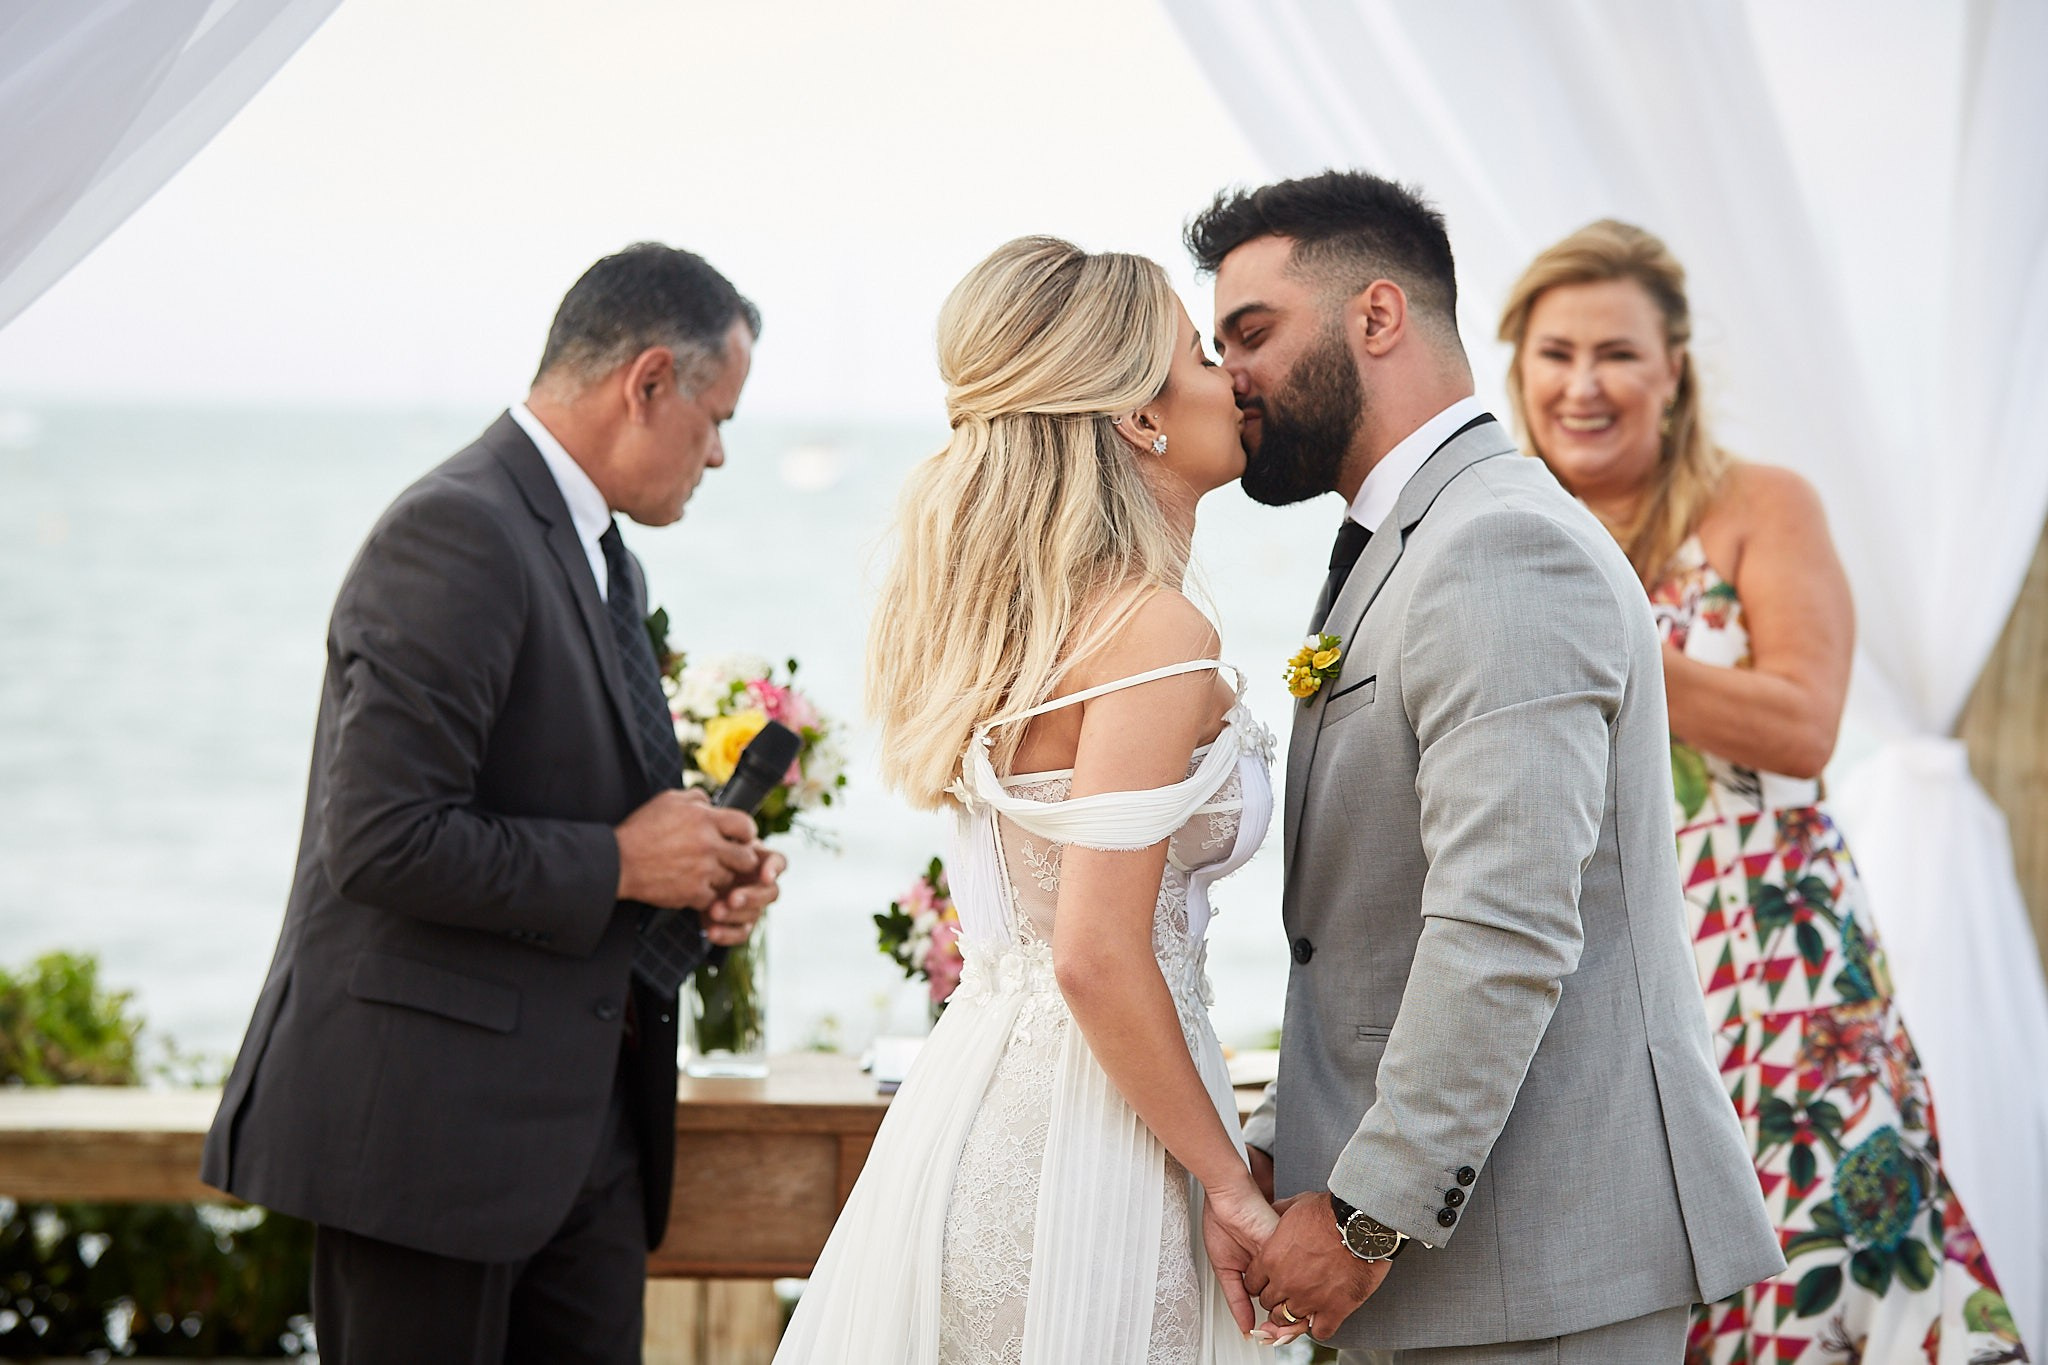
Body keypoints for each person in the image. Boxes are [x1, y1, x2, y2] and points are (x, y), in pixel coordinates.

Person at [1184, 170, 1786, 1363]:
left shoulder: (1496, 545)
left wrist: (1363, 1219)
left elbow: (1503, 924)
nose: (1228, 376)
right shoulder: (1404, 542)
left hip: (1540, 1268)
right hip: (1464, 1270)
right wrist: (1281, 1136)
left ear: (1375, 315)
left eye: (1250, 333)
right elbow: (1363, 931)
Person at [200, 243, 786, 1364]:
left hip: (585, 1143)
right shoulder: (457, 530)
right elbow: (379, 840)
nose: (718, 452)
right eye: (716, 418)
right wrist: (622, 862)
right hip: (430, 1148)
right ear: (648, 381)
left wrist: (696, 878)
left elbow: (578, 817)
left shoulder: (606, 557)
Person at [1501, 218, 2031, 1365]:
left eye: (1615, 353)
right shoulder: (1503, 533)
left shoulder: (1757, 505)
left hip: (1778, 960)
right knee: (1657, 1292)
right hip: (1603, 985)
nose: (1582, 385)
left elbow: (1801, 724)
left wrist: (1604, 635)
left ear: (1671, 369)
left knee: (1838, 1257)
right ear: (1517, 367)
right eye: (1555, 354)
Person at [773, 236, 1280, 1364]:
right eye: (1201, 357)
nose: (1232, 380)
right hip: (1096, 1140)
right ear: (1138, 416)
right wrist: (1229, 1185)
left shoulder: (1014, 626)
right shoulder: (1152, 632)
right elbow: (1094, 954)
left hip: (973, 1105)